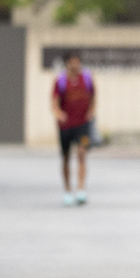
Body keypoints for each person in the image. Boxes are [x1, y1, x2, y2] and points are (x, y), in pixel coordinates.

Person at [51, 51, 96, 206]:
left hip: (82, 124)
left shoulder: (87, 79)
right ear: (67, 64)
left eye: (78, 62)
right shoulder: (61, 81)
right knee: (66, 157)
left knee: (82, 153)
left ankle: (81, 189)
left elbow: (93, 96)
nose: (76, 65)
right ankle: (67, 190)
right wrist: (58, 114)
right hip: (66, 126)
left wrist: (91, 111)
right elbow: (54, 102)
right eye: (73, 62)